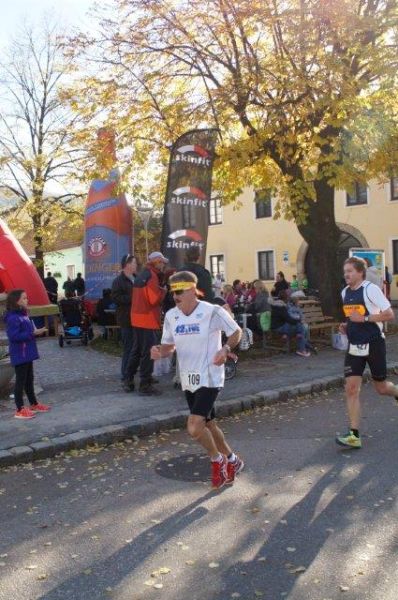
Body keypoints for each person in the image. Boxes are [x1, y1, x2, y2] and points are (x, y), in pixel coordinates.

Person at [150, 271, 243, 489]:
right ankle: (232, 459)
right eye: (173, 292)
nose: (175, 296)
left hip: (210, 376)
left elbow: (236, 332)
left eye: (180, 291)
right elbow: (169, 346)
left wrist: (225, 348)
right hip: (189, 378)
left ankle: (217, 460)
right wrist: (159, 351)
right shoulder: (172, 316)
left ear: (192, 290)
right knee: (208, 423)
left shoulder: (212, 312)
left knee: (194, 427)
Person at [336, 257, 398, 449]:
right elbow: (352, 318)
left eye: (350, 271)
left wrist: (364, 318)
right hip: (355, 346)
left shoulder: (370, 289)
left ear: (360, 272)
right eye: (345, 271)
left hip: (374, 343)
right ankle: (354, 435)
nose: (346, 274)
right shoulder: (345, 292)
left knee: (381, 388)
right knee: (351, 388)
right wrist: (346, 325)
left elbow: (389, 314)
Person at [125, 251, 167, 395]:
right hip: (148, 319)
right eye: (162, 262)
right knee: (149, 352)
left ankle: (128, 380)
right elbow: (154, 300)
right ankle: (145, 384)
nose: (163, 265)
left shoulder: (142, 274)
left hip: (136, 318)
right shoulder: (152, 276)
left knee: (136, 350)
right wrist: (163, 291)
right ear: (156, 262)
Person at [4, 289, 51, 419]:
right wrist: (32, 333)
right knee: (20, 381)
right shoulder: (13, 317)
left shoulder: (23, 314)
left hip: (27, 352)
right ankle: (19, 409)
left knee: (29, 379)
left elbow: (27, 331)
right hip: (20, 353)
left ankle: (34, 404)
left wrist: (35, 331)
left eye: (27, 298)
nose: (27, 300)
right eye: (24, 298)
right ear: (16, 301)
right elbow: (13, 336)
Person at [111, 255, 137, 387]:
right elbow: (115, 298)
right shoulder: (118, 281)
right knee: (129, 347)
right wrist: (133, 298)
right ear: (127, 264)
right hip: (126, 319)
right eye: (134, 263)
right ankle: (125, 374)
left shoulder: (136, 278)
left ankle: (132, 372)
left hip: (138, 318)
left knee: (136, 347)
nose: (136, 265)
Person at [270, 290, 311, 357]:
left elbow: (288, 319)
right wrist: (299, 320)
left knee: (300, 327)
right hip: (279, 328)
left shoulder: (277, 305)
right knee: (301, 328)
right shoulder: (281, 307)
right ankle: (302, 350)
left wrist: (297, 320)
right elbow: (288, 319)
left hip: (280, 326)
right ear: (285, 299)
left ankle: (303, 346)